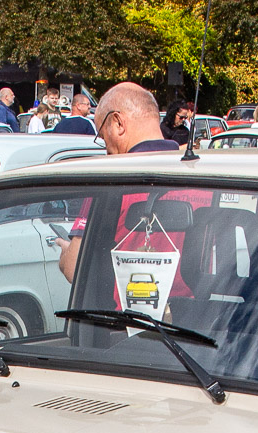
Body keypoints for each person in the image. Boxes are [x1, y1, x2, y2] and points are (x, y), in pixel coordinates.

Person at [57, 82, 179, 283]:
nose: (106, 149)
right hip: (196, 311)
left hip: (125, 311)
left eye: (103, 137)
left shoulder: (111, 180)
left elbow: (75, 269)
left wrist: (65, 255)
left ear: (118, 123)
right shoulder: (202, 176)